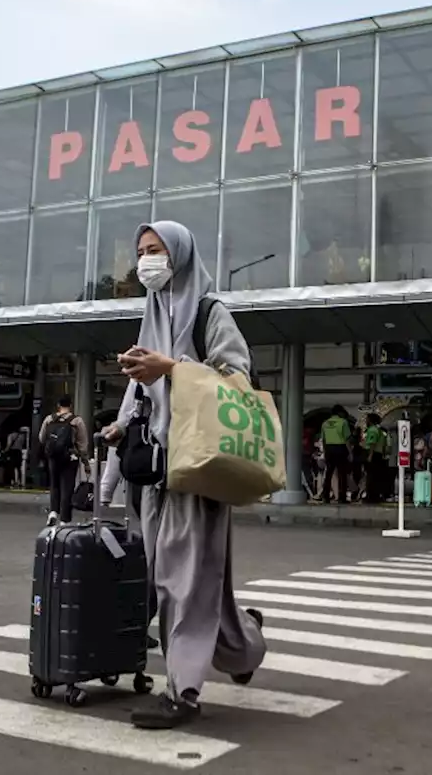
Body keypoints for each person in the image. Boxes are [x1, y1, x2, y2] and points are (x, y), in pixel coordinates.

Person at [102, 220, 266, 731]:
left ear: (180, 255)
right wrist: (120, 425)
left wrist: (172, 368)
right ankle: (245, 645)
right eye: (141, 251)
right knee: (177, 582)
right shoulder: (152, 316)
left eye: (156, 251)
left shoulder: (210, 314)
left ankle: (184, 691)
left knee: (184, 585)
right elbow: (140, 393)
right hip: (152, 475)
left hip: (197, 471)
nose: (146, 261)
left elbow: (238, 378)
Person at [38, 397, 89, 526]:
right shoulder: (76, 421)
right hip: (70, 457)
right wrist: (86, 462)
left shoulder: (49, 419)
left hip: (53, 457)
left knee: (54, 485)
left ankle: (53, 512)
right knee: (67, 487)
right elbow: (83, 444)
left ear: (58, 405)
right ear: (71, 405)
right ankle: (64, 519)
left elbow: (42, 438)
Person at [320, 405, 352, 504]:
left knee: (328, 474)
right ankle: (342, 498)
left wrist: (325, 452)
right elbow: (347, 439)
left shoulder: (325, 423)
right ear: (339, 412)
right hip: (340, 448)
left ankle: (325, 497)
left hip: (329, 449)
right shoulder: (343, 422)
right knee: (342, 474)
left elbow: (324, 440)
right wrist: (350, 453)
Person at [361, 414, 390, 502]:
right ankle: (375, 496)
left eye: (367, 419)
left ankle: (370, 496)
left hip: (372, 454)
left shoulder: (372, 430)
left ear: (371, 420)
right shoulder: (380, 431)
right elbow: (384, 444)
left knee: (370, 476)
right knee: (376, 476)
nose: (366, 421)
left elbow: (372, 443)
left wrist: (370, 455)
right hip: (379, 455)